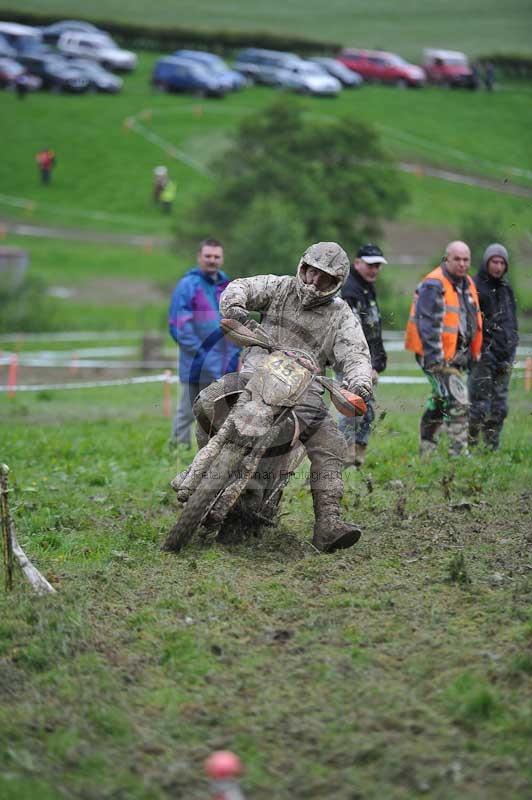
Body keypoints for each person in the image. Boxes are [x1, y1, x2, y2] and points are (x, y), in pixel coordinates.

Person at [218, 241, 373, 553]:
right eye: (311, 272)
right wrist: (235, 305)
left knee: (331, 443)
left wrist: (359, 384)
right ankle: (199, 475)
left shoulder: (341, 315)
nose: (314, 281)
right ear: (302, 266)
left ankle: (328, 523)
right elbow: (242, 286)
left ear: (336, 282)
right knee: (211, 400)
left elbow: (356, 355)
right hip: (256, 373)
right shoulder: (280, 288)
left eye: (324, 278)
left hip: (305, 392)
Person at [405, 240, 482, 456]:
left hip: (455, 356)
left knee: (440, 399)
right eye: (457, 259)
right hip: (434, 356)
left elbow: (470, 321)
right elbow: (426, 325)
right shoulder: (434, 284)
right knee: (459, 399)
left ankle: (427, 447)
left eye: (466, 259)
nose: (462, 263)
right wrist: (436, 360)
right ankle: (458, 452)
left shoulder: (466, 283)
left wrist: (471, 354)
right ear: (446, 258)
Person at [168, 238, 240, 447]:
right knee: (188, 411)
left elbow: (235, 322)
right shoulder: (187, 285)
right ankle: (177, 451)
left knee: (221, 414)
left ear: (222, 258)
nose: (212, 260)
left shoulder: (228, 287)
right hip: (196, 363)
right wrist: (203, 355)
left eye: (216, 256)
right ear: (199, 257)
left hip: (225, 364)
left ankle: (213, 454)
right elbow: (179, 327)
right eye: (208, 256)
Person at [339, 243, 388, 467]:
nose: (374, 269)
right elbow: (352, 332)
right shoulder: (350, 290)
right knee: (352, 408)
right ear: (357, 263)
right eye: (370, 265)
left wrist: (378, 360)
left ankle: (356, 458)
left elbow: (373, 328)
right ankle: (342, 457)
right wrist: (362, 364)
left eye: (377, 265)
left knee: (365, 410)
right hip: (353, 361)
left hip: (367, 361)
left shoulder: (367, 288)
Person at [468, 244, 518, 450]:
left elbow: (511, 321)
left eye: (502, 263)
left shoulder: (506, 289)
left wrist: (512, 344)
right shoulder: (475, 286)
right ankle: (469, 446)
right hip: (483, 355)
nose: (498, 266)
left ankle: (491, 447)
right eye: (494, 262)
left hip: (505, 355)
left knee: (499, 407)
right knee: (479, 405)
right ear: (486, 262)